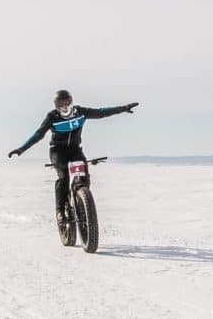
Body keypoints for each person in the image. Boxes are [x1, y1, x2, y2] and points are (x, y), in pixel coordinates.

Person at [8, 90, 137, 223]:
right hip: (57, 151)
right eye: (60, 103)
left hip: (75, 150)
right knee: (64, 177)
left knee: (83, 178)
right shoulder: (52, 117)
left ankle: (82, 200)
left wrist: (123, 108)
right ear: (56, 105)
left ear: (71, 101)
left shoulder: (80, 112)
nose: (64, 106)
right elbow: (38, 134)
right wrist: (21, 149)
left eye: (67, 102)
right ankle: (60, 210)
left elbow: (101, 112)